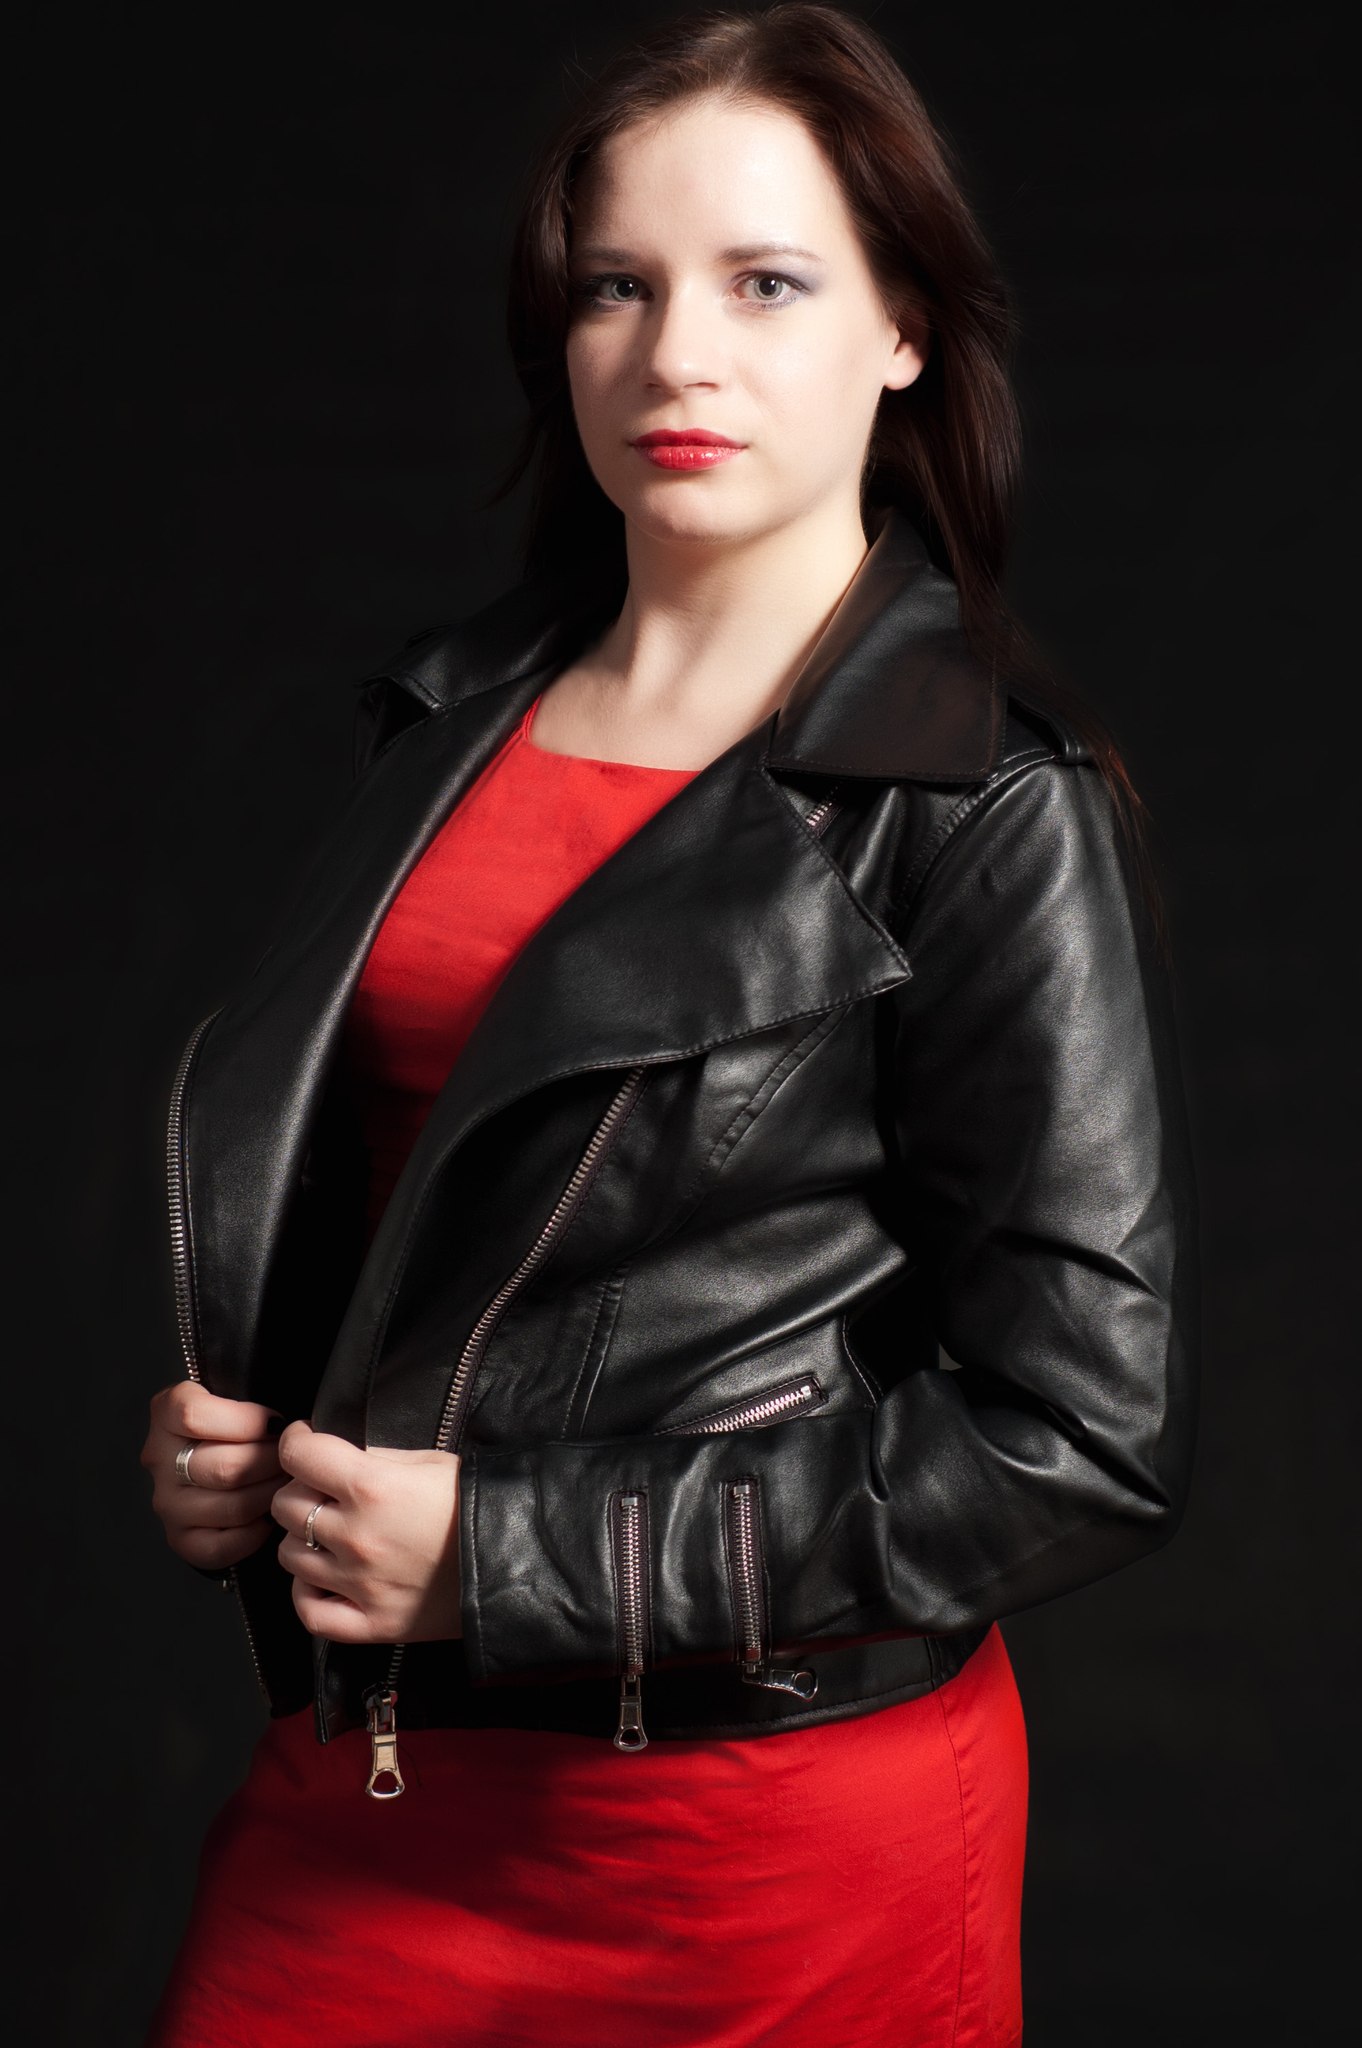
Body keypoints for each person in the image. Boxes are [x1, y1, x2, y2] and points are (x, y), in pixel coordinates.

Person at [139, 6, 1198, 2044]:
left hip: (763, 1834)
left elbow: (1080, 1436)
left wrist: (513, 1554)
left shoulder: (980, 802)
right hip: (387, 1775)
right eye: (616, 285)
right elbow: (474, 1213)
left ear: (903, 329)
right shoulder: (443, 723)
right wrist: (251, 1436)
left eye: (764, 283)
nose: (675, 354)